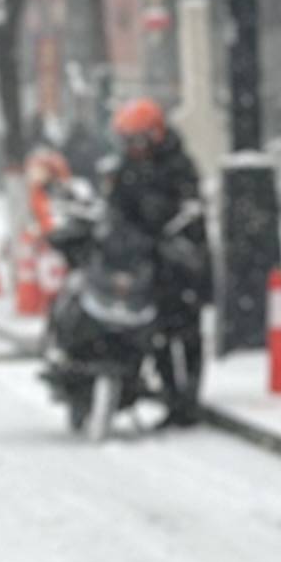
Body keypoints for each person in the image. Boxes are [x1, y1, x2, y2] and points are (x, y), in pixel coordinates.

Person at [102, 96, 211, 425]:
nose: (134, 147)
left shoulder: (179, 165)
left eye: (139, 139)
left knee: (188, 333)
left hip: (181, 262)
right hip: (144, 264)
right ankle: (170, 395)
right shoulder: (124, 170)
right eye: (128, 141)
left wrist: (177, 236)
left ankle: (189, 398)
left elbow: (192, 207)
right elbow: (117, 210)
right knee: (156, 332)